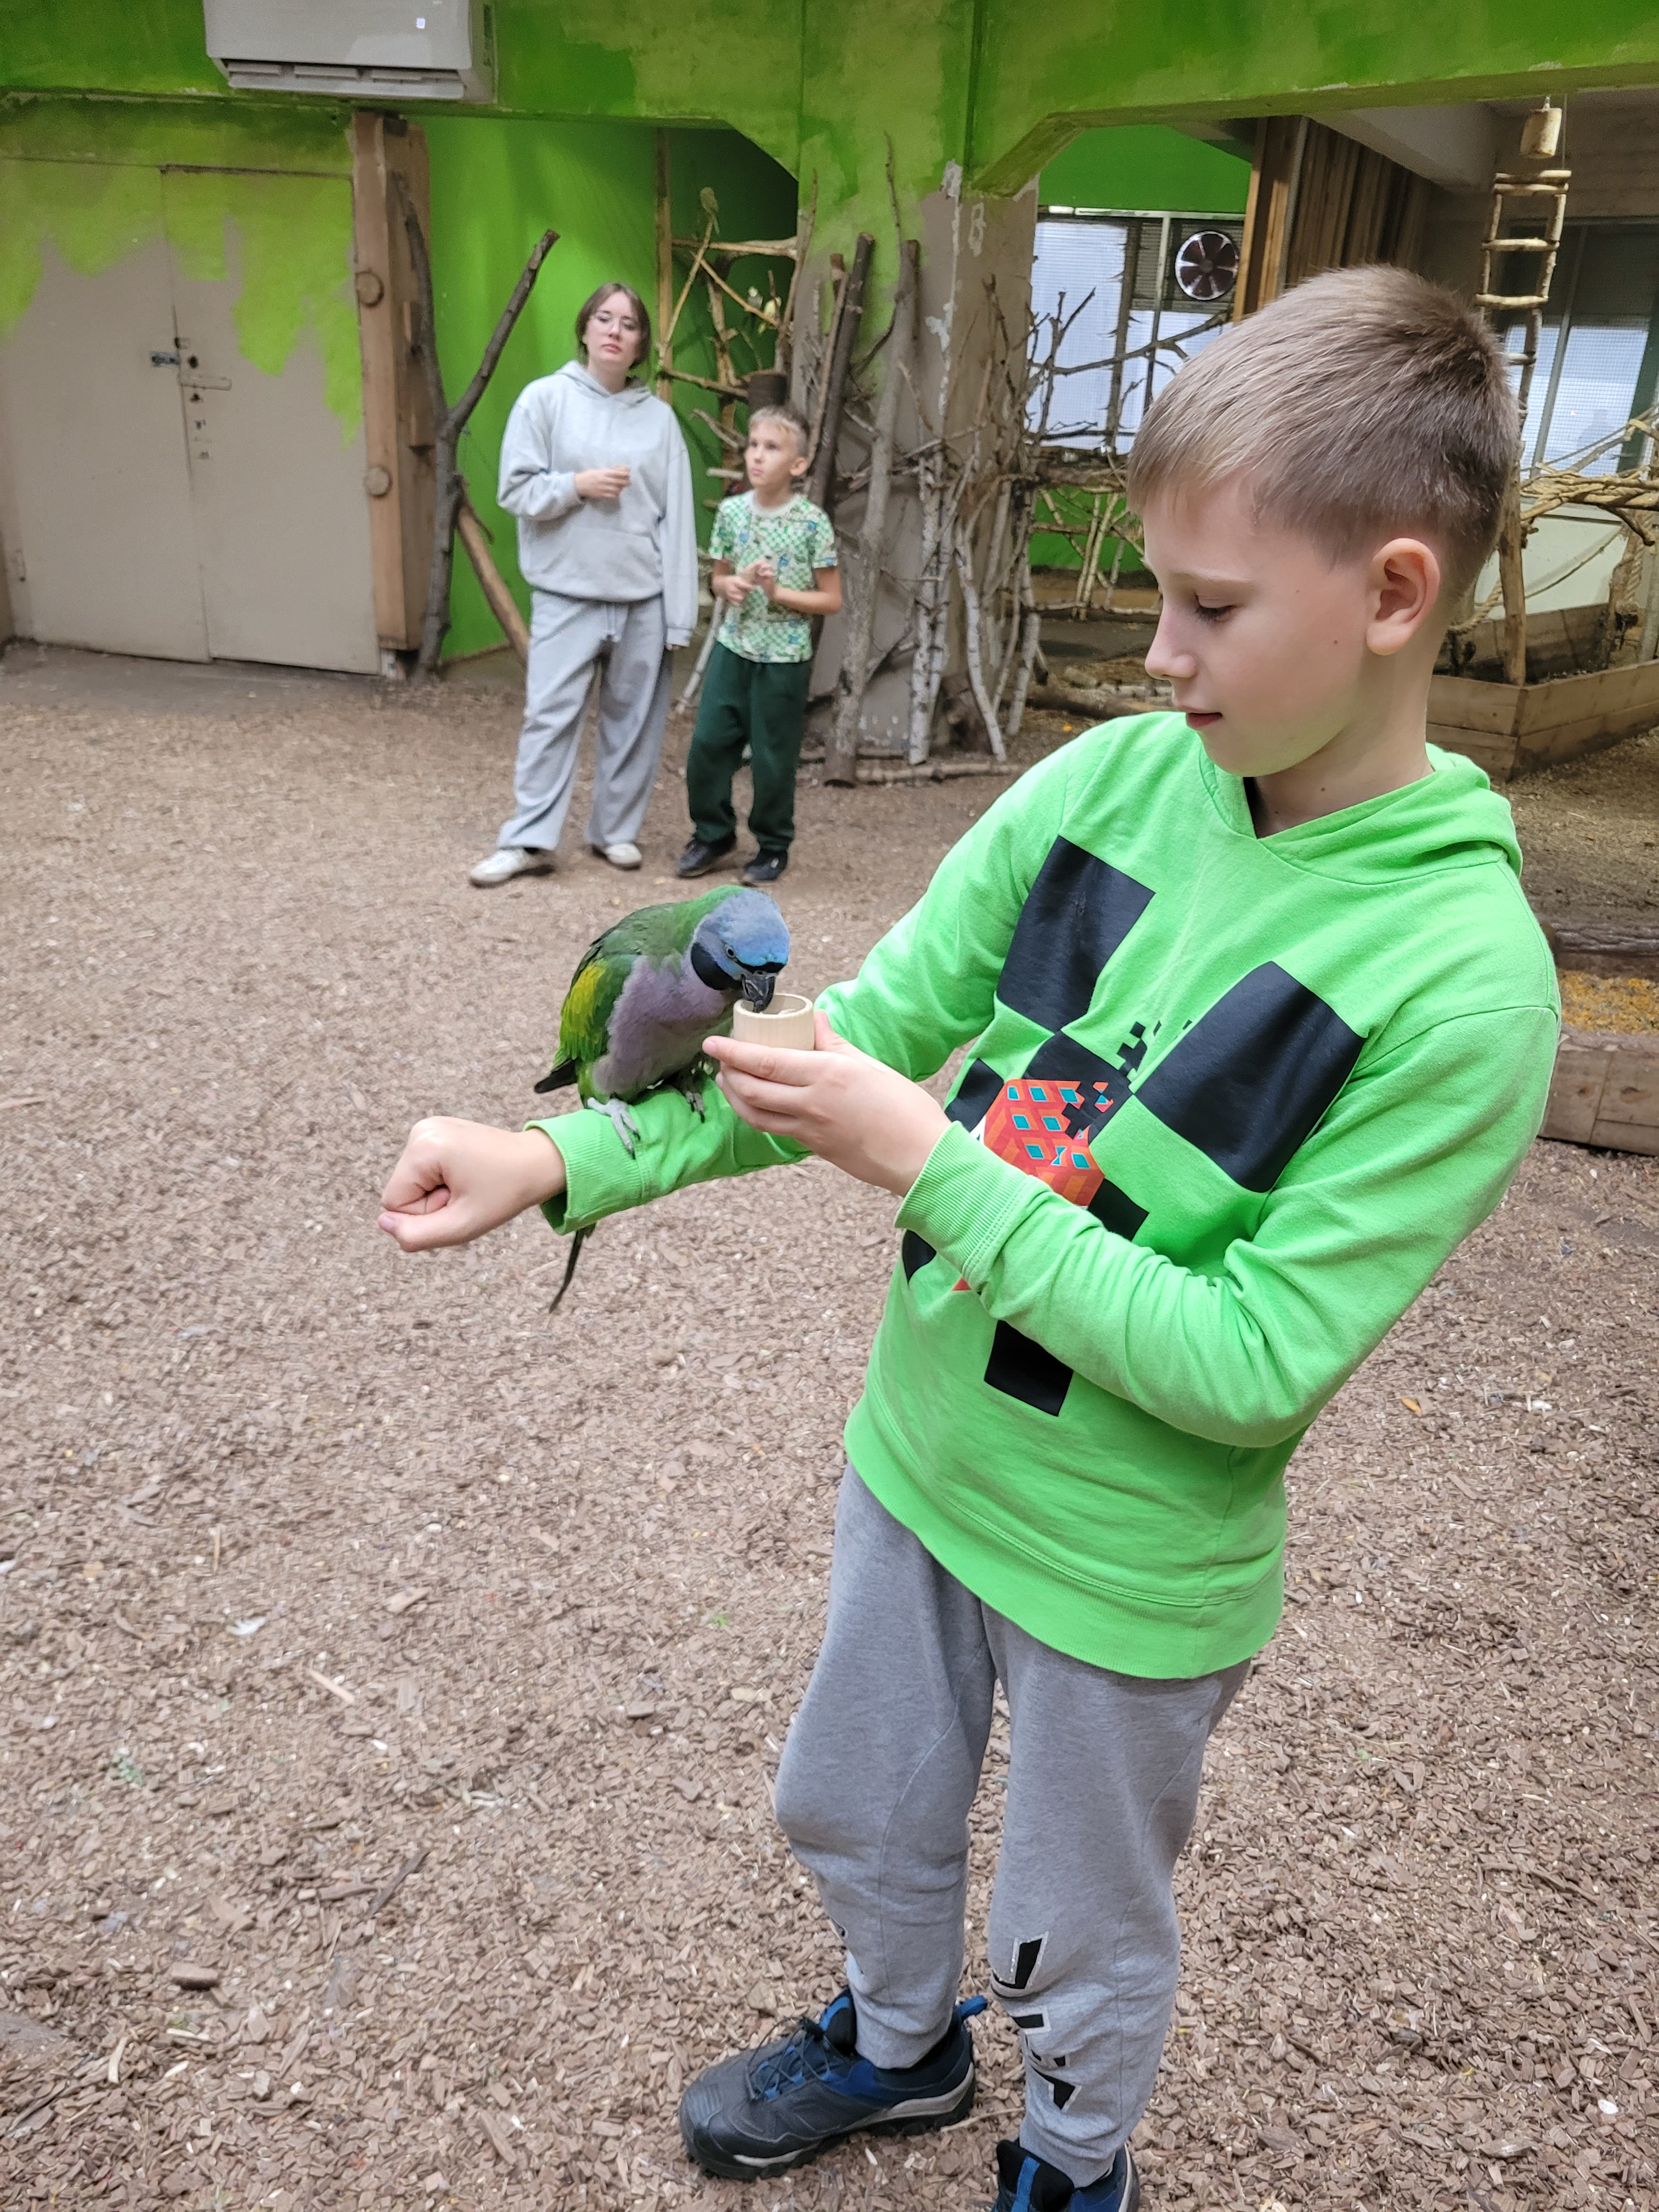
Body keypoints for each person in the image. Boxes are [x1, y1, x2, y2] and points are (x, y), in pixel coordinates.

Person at [379, 268, 1559, 2210]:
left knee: (1079, 1931)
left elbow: (1250, 1363)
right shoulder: (1110, 779)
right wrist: (558, 1155)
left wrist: (929, 1167)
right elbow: (857, 1037)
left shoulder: (1464, 986)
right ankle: (897, 2041)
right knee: (859, 1808)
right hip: (920, 1460)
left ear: (1394, 595)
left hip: (1126, 1567)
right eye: (1155, 594)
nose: (1160, 654)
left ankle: (1071, 2164)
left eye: (1210, 606)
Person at [469, 282, 697, 888]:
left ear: (641, 341)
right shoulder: (544, 401)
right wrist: (576, 485)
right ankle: (527, 840)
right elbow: (514, 490)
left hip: (642, 596)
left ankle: (614, 831)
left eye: (628, 323)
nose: (615, 331)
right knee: (550, 716)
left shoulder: (660, 420)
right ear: (585, 327)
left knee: (634, 720)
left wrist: (679, 613)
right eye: (605, 318)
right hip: (567, 591)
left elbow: (677, 521)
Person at [675, 403, 840, 886]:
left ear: (798, 465)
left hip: (784, 660)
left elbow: (831, 599)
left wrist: (779, 593)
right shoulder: (729, 513)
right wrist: (731, 586)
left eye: (772, 448)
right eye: (753, 445)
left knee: (772, 758)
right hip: (733, 648)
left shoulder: (813, 523)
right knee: (707, 745)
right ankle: (714, 833)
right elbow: (719, 580)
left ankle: (772, 846)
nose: (757, 457)